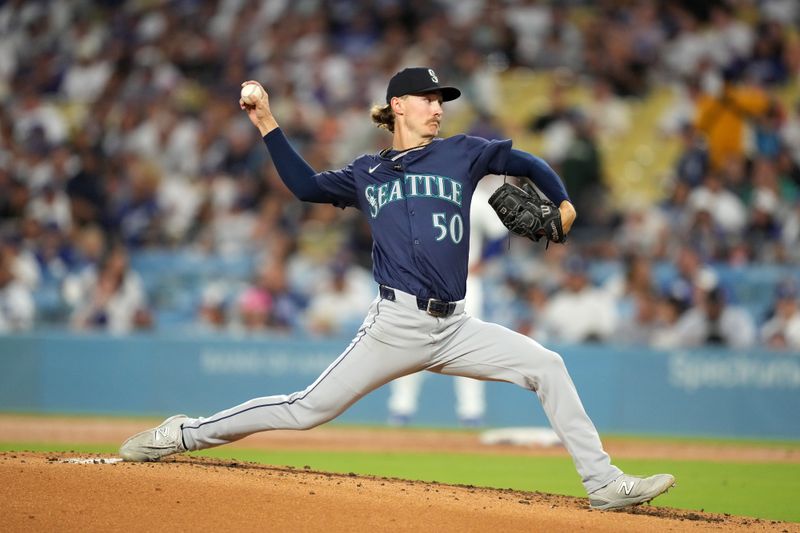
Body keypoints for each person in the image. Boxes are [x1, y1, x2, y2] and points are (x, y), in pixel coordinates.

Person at [119, 67, 674, 510]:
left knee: (547, 365)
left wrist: (564, 199)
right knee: (306, 409)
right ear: (398, 106)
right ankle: (184, 433)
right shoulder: (367, 171)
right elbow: (305, 186)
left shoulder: (463, 152)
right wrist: (267, 122)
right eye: (428, 98)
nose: (438, 107)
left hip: (456, 326)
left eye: (442, 100)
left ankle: (603, 483)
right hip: (395, 325)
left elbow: (524, 160)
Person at [386, 175, 507, 427]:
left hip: (463, 282)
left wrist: (482, 263)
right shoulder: (419, 193)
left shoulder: (474, 196)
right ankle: (401, 409)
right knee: (411, 342)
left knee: (469, 346)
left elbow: (500, 234)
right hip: (422, 281)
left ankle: (471, 412)